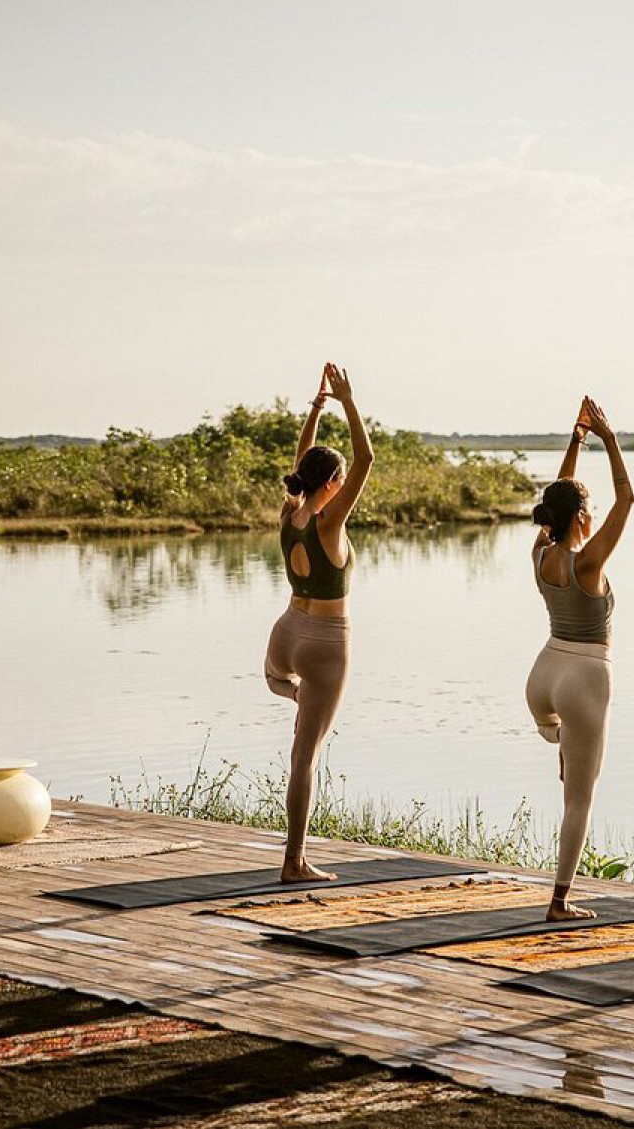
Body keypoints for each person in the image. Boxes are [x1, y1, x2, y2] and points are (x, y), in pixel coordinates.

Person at [525, 397, 634, 921]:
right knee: (579, 799)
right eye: (586, 510)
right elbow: (628, 498)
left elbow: (560, 493)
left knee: (567, 743)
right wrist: (609, 439)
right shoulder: (588, 562)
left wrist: (576, 441)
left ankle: (563, 740)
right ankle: (560, 901)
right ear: (582, 518)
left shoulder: (541, 553)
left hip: (543, 674)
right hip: (584, 677)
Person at [264, 362, 374, 883]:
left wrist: (316, 407)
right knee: (304, 756)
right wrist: (348, 401)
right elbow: (366, 459)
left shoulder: (290, 514)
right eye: (339, 480)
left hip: (286, 632)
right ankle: (294, 861)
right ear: (332, 483)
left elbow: (300, 460)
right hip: (326, 643)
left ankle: (294, 694)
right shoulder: (331, 524)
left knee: (276, 680)